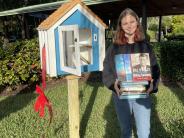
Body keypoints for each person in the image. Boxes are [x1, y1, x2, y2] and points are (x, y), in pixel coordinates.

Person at [102, 8, 160, 138]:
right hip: (121, 95)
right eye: (125, 23)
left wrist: (153, 85)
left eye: (132, 22)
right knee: (125, 131)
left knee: (144, 133)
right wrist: (113, 85)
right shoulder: (113, 48)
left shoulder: (146, 46)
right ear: (121, 26)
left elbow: (155, 69)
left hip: (142, 95)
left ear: (137, 23)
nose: (129, 26)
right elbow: (106, 70)